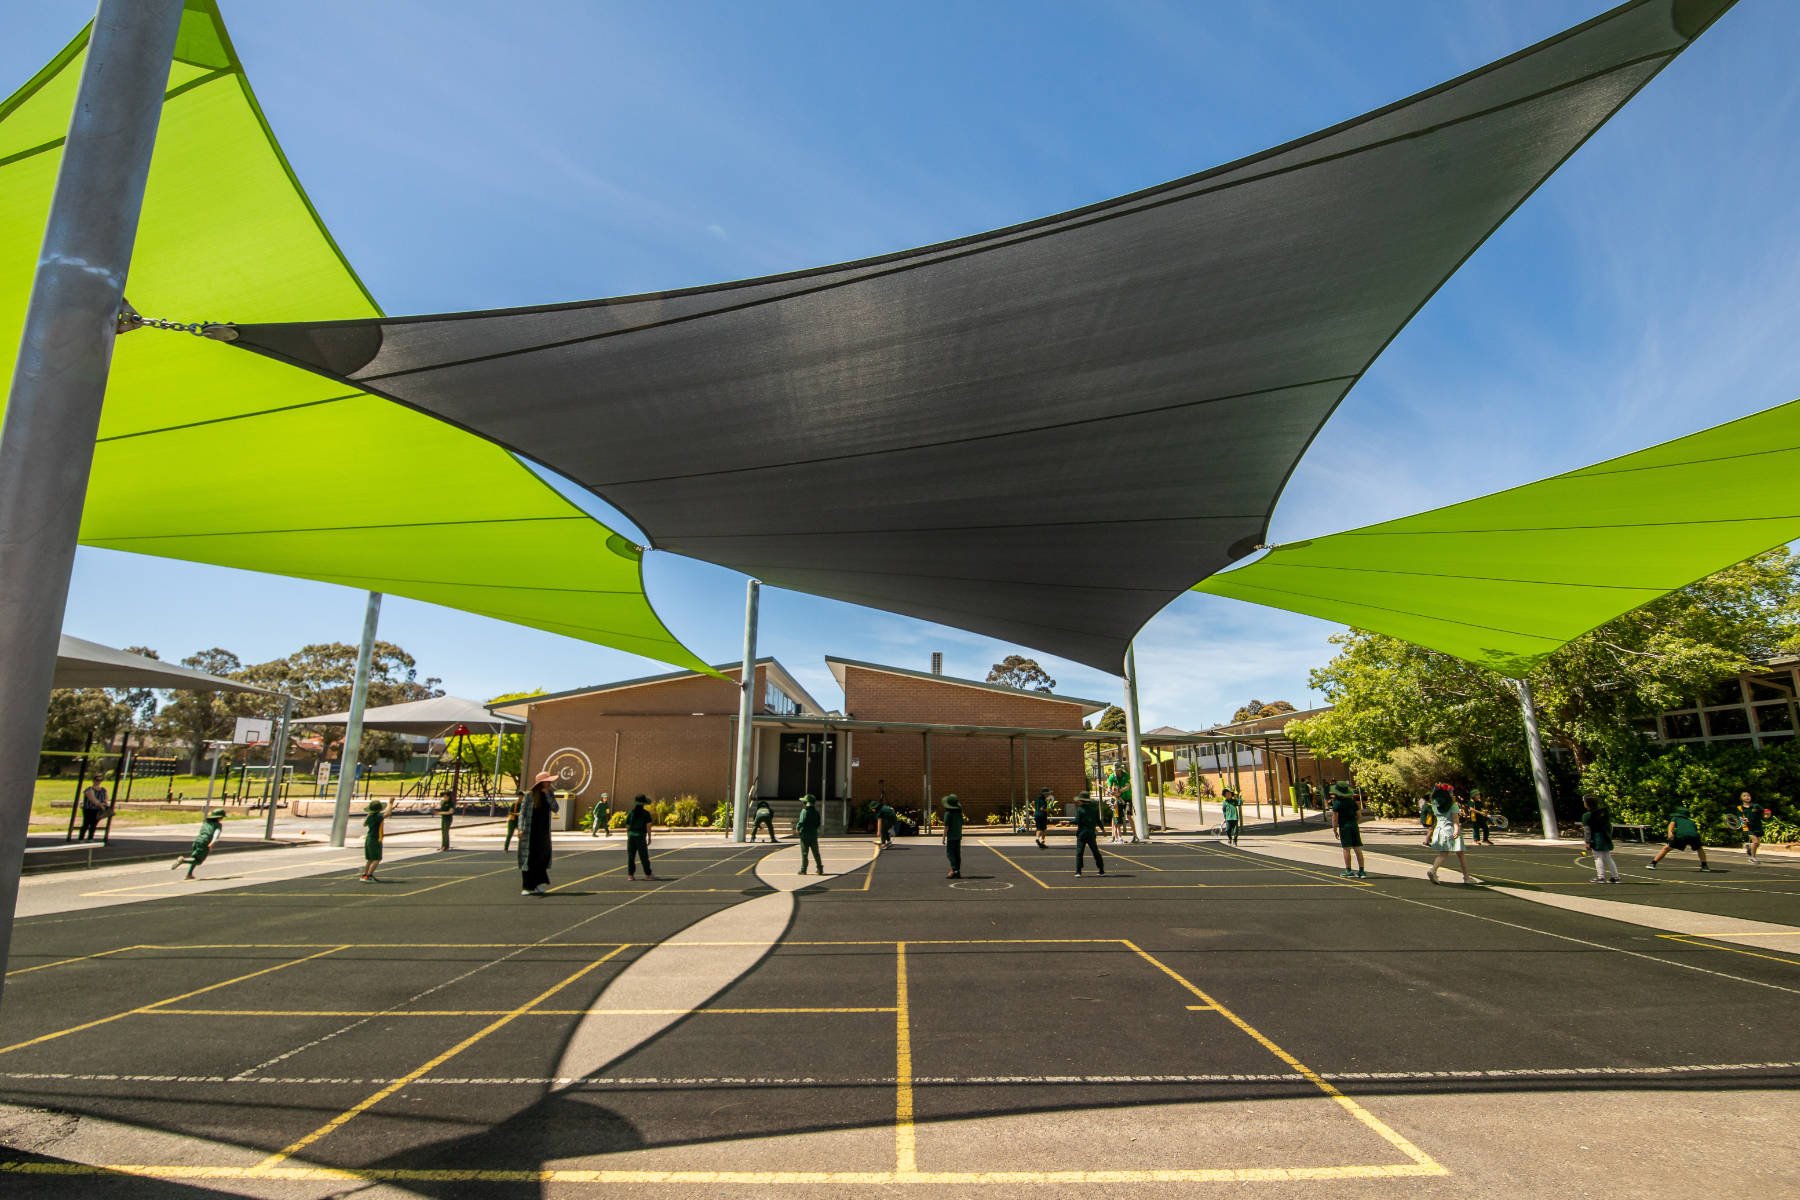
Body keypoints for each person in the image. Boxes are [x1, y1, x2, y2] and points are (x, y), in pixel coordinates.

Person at [1426, 783, 1475, 885]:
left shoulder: (1435, 804)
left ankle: (1433, 870)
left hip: (1439, 830)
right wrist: (1456, 830)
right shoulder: (1453, 805)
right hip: (1450, 830)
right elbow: (1455, 821)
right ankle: (1466, 877)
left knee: (1443, 854)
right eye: (1451, 792)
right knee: (1461, 855)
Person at [518, 772, 559, 894]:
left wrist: (548, 796)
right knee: (529, 858)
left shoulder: (550, 794)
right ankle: (527, 886)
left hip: (543, 831)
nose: (550, 783)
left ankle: (538, 883)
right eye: (547, 781)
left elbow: (555, 808)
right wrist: (520, 828)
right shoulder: (529, 795)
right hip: (530, 831)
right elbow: (522, 813)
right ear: (541, 783)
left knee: (542, 857)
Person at [1647, 805, 1710, 871]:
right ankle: (1704, 866)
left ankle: (1653, 863)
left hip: (1681, 835)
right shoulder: (1691, 821)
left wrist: (1670, 832)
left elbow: (1671, 825)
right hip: (1694, 835)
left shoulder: (1676, 818)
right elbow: (1693, 830)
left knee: (1666, 848)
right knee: (1699, 849)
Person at [172, 808, 225, 879]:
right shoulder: (218, 825)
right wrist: (212, 842)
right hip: (205, 842)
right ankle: (183, 860)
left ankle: (189, 874)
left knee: (194, 858)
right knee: (198, 861)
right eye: (222, 817)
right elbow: (216, 834)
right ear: (219, 817)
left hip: (197, 840)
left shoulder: (206, 822)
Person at [1329, 782, 1366, 879]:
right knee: (1357, 848)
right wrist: (1355, 823)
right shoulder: (1352, 802)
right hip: (1353, 825)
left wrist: (1334, 829)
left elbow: (1334, 817)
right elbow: (1359, 815)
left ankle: (1348, 870)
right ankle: (1361, 870)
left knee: (1346, 848)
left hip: (1344, 827)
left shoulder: (1337, 803)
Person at [1580, 795, 1619, 884]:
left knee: (1597, 857)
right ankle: (1615, 876)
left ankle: (1601, 877)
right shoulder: (1603, 812)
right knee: (1608, 857)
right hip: (1605, 836)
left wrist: (1587, 842)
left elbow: (1587, 830)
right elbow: (1609, 826)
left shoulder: (1587, 815)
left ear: (1587, 804)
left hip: (1596, 838)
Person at [1074, 792, 1105, 877]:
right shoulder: (1094, 809)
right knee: (1095, 851)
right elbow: (1098, 820)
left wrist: (1067, 822)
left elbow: (1077, 821)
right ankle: (1101, 869)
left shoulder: (1080, 809)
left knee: (1079, 852)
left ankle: (1078, 871)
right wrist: (1103, 829)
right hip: (1091, 833)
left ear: (1082, 801)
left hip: (1082, 833)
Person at [626, 793, 655, 881]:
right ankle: (648, 874)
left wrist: (628, 835)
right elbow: (648, 826)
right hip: (640, 835)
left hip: (631, 835)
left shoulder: (631, 812)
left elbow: (627, 826)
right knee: (643, 856)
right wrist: (649, 837)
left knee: (631, 856)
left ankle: (630, 875)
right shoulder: (646, 813)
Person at [1736, 790, 1766, 865]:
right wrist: (1743, 820)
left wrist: (1766, 815)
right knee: (1755, 842)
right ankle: (1752, 858)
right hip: (1747, 827)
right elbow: (1740, 817)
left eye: (1748, 795)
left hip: (1757, 826)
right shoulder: (1739, 808)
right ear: (1741, 798)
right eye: (1744, 796)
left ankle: (1749, 848)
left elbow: (1764, 812)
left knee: (1757, 844)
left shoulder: (1756, 806)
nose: (1747, 797)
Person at [795, 793, 824, 874]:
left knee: (804, 853)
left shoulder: (804, 811)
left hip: (804, 835)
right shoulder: (816, 812)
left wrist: (797, 828)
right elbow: (818, 823)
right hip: (813, 834)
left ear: (806, 803)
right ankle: (820, 868)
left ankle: (803, 869)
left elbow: (801, 822)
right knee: (816, 852)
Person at [359, 800, 386, 883]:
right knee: (377, 859)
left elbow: (364, 824)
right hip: (375, 839)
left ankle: (365, 874)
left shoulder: (370, 817)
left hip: (369, 838)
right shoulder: (378, 816)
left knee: (370, 859)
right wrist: (391, 803)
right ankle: (369, 876)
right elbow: (388, 813)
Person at [940, 793, 964, 879]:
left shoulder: (948, 813)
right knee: (957, 854)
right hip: (958, 835)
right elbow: (961, 824)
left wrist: (943, 837)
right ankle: (957, 870)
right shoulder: (959, 813)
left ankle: (954, 870)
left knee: (950, 854)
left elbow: (946, 826)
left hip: (951, 837)